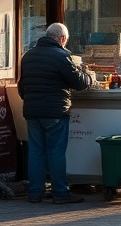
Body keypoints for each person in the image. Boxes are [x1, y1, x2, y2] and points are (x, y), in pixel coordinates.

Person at [17, 22, 95, 203]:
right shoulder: (61, 56)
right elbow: (79, 83)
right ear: (62, 39)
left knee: (35, 152)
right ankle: (60, 193)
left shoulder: (28, 56)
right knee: (56, 152)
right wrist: (89, 76)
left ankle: (35, 193)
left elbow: (22, 87)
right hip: (55, 112)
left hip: (32, 111)